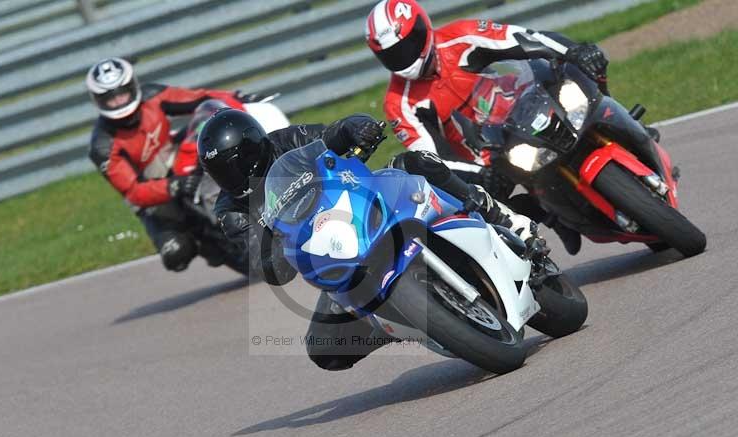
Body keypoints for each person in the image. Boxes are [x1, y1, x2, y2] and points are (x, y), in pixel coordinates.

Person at [198, 109, 542, 371]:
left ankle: (496, 214)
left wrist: (355, 127)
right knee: (324, 350)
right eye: (221, 173)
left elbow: (333, 134)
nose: (233, 177)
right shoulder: (231, 210)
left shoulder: (288, 141)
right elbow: (265, 265)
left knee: (413, 162)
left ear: (255, 147)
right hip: (336, 255)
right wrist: (273, 258)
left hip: (365, 205)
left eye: (237, 163)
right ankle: (401, 323)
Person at [365, 0, 614, 254]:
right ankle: (552, 219)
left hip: (530, 101)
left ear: (422, 26)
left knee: (582, 74)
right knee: (486, 208)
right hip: (492, 153)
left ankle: (626, 126)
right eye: (393, 54)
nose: (404, 56)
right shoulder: (399, 103)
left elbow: (523, 38)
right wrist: (479, 174)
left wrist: (573, 50)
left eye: (408, 43)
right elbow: (431, 156)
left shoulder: (461, 35)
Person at [86, 57, 265, 271]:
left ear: (132, 86)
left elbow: (200, 98)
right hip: (154, 197)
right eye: (110, 99)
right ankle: (203, 241)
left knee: (208, 134)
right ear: (98, 101)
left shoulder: (152, 96)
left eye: (121, 93)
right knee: (176, 254)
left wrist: (236, 99)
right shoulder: (102, 146)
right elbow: (133, 191)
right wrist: (174, 186)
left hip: (176, 160)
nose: (119, 102)